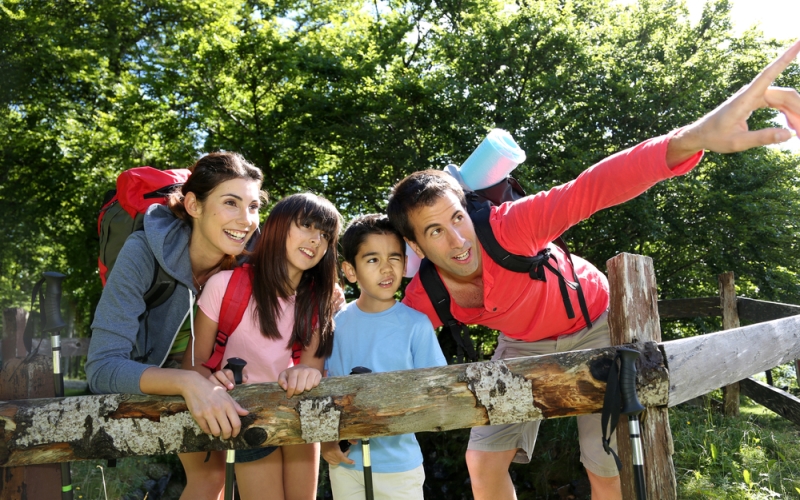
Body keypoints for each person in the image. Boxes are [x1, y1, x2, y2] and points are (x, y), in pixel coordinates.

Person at [386, 40, 800, 500]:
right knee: (482, 462)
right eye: (435, 231)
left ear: (470, 211)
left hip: (597, 324)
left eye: (458, 218)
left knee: (604, 462)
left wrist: (695, 136)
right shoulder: (423, 294)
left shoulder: (508, 227)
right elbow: (377, 337)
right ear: (414, 244)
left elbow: (593, 188)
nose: (457, 240)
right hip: (521, 345)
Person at [87, 152, 265, 499]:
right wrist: (188, 382)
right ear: (194, 206)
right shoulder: (142, 252)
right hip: (154, 373)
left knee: (213, 479)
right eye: (231, 203)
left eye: (254, 206)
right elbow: (101, 367)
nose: (247, 220)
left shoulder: (250, 259)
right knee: (212, 478)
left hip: (211, 375)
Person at [184, 192, 342, 500]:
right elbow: (193, 364)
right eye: (307, 225)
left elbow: (311, 368)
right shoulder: (224, 286)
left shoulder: (318, 302)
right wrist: (211, 384)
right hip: (245, 415)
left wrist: (306, 375)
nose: (315, 240)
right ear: (278, 226)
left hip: (296, 414)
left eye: (325, 235)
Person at [320, 214, 447, 500]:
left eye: (394, 258)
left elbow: (437, 392)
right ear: (350, 271)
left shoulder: (416, 324)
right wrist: (328, 442)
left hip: (398, 466)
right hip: (346, 463)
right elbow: (323, 389)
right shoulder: (334, 325)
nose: (387, 268)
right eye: (373, 260)